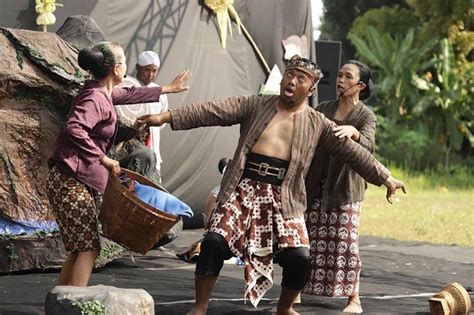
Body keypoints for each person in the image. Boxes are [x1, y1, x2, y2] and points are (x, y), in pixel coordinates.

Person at [136, 55, 406, 315]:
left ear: (310, 88)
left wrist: (385, 178)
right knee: (214, 243)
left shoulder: (317, 123)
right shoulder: (256, 105)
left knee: (299, 256)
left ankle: (285, 307)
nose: (292, 81)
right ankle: (200, 306)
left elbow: (354, 153)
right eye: (289, 74)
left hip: (284, 196)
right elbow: (211, 110)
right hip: (242, 189)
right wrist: (166, 117)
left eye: (300, 78)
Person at [47, 41, 190, 287]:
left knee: (80, 247)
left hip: (77, 181)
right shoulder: (95, 97)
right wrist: (104, 158)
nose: (126, 65)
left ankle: (63, 299)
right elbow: (75, 128)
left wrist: (166, 89)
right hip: (69, 180)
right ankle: (75, 301)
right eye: (123, 61)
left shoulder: (104, 92)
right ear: (114, 69)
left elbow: (130, 94)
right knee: (88, 248)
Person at [302, 60, 377, 313]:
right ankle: (296, 289)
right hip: (315, 186)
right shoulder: (323, 108)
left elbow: (368, 145)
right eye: (339, 76)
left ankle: (354, 298)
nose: (340, 80)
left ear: (360, 85)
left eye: (347, 77)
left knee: (346, 244)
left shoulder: (366, 116)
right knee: (305, 240)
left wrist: (354, 133)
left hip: (345, 189)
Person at [112, 51, 169, 183]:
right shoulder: (127, 85)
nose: (150, 74)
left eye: (154, 71)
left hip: (152, 148)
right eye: (147, 70)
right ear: (138, 67)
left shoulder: (161, 93)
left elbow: (161, 123)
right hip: (127, 149)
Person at [177, 158, 230, 263]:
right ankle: (200, 249)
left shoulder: (219, 191)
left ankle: (200, 248)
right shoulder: (217, 192)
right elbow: (208, 220)